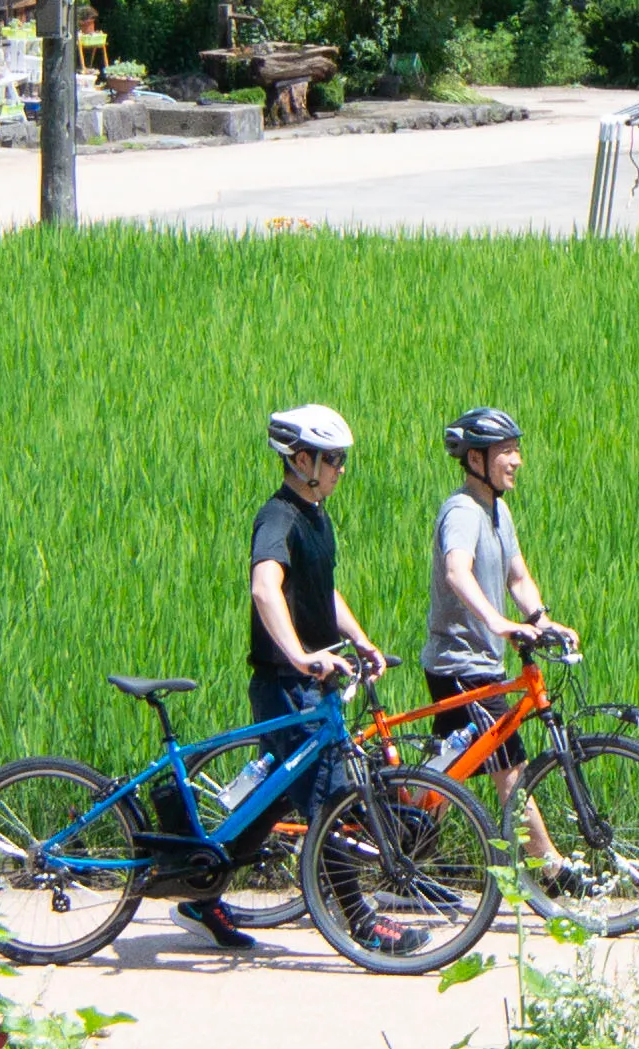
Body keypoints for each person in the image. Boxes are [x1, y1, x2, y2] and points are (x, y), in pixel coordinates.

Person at [180, 401, 394, 951]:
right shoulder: (278, 517)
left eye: (343, 459)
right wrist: (301, 656)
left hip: (310, 686)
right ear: (301, 460)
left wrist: (361, 640)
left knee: (275, 798)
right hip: (285, 685)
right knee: (333, 799)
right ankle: (362, 924)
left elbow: (322, 591)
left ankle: (201, 895)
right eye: (333, 458)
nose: (342, 468)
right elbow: (264, 588)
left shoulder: (316, 516)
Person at [426, 406, 580, 884]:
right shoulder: (462, 512)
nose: (516, 461)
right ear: (476, 458)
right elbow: (456, 571)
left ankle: (401, 851)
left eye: (517, 450)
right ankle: (551, 870)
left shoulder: (498, 509)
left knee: (445, 771)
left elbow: (518, 576)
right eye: (506, 452)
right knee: (508, 766)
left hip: (480, 661)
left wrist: (540, 619)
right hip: (459, 661)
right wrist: (498, 622)